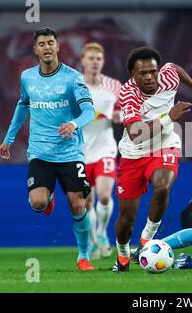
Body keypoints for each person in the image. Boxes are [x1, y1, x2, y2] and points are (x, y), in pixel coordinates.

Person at [0, 27, 96, 271]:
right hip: (40, 153)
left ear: (58, 46)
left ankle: (83, 255)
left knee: (78, 205)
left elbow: (89, 111)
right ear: (35, 49)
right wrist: (8, 139)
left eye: (50, 42)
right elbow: (23, 107)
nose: (46, 47)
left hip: (70, 153)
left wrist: (73, 124)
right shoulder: (27, 77)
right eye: (41, 44)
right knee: (38, 203)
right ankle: (47, 195)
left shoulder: (73, 78)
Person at [113, 46, 192, 272]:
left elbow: (175, 68)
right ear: (132, 75)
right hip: (134, 154)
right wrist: (169, 117)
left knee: (163, 186)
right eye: (142, 73)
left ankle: (146, 240)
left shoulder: (167, 76)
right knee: (125, 221)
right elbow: (136, 135)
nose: (149, 77)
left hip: (164, 145)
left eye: (152, 71)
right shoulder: (128, 94)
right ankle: (123, 255)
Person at [81, 42, 122, 260]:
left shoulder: (114, 86)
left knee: (105, 196)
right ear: (83, 61)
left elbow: (126, 111)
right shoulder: (75, 86)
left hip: (105, 149)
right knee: (87, 202)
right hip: (80, 152)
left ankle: (102, 234)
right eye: (91, 58)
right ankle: (93, 242)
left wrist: (119, 117)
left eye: (99, 58)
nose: (95, 62)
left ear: (103, 62)